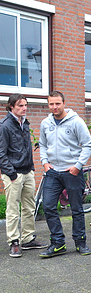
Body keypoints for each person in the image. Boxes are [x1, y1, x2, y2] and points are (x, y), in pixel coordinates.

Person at [39, 91, 91, 258]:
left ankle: (80, 242)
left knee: (76, 209)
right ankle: (58, 243)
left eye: (57, 103)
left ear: (64, 103)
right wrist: (44, 162)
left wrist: (78, 166)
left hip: (72, 171)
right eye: (51, 104)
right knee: (48, 206)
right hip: (53, 172)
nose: (54, 107)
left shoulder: (76, 122)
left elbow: (88, 145)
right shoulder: (45, 123)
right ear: (48, 105)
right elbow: (42, 144)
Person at [0, 94, 47, 257]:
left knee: (29, 206)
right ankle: (14, 241)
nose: (24, 108)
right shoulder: (5, 125)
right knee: (13, 209)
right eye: (20, 105)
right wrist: (11, 173)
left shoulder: (24, 123)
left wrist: (32, 168)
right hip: (13, 174)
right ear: (11, 106)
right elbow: (1, 152)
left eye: (25, 105)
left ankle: (27, 239)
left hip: (28, 171)